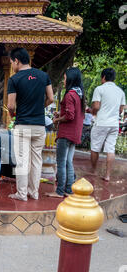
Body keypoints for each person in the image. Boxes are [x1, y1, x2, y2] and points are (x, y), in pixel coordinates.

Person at [7, 47, 54, 201]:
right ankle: (33, 192)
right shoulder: (43, 76)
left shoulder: (14, 79)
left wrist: (13, 115)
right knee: (36, 160)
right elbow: (51, 99)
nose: (12, 66)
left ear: (17, 61)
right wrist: (40, 107)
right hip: (40, 126)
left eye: (12, 62)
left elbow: (11, 106)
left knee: (22, 161)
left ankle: (21, 194)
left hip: (23, 125)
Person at [46, 67, 85, 198]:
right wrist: (60, 113)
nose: (64, 81)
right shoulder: (79, 95)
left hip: (66, 133)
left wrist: (57, 119)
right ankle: (68, 189)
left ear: (70, 79)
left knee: (61, 162)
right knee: (69, 161)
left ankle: (59, 191)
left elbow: (69, 116)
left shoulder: (69, 95)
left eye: (64, 78)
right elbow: (72, 113)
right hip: (75, 133)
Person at [88, 68, 126, 181]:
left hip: (101, 123)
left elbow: (96, 107)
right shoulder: (120, 91)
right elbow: (121, 110)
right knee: (110, 149)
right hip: (114, 124)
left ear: (103, 77)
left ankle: (94, 171)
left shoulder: (99, 89)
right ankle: (107, 175)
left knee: (95, 148)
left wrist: (92, 112)